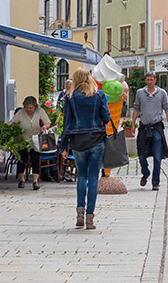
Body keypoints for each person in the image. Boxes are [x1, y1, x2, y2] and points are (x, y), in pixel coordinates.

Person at [59, 67, 110, 229]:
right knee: (93, 178)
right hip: (96, 141)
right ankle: (90, 218)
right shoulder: (99, 95)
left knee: (81, 176)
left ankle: (79, 214)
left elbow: (66, 122)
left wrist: (64, 146)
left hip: (78, 142)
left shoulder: (70, 97)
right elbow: (106, 117)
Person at [132, 72, 168, 190]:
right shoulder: (140, 93)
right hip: (144, 127)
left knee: (157, 157)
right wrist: (133, 123)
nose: (149, 82)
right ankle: (145, 172)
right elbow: (136, 108)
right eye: (147, 80)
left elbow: (167, 108)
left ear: (155, 80)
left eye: (151, 80)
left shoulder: (162, 93)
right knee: (141, 155)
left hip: (156, 127)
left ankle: (155, 182)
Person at [8, 96, 50, 190]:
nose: (28, 110)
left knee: (35, 160)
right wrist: (5, 126)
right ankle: (21, 180)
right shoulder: (21, 112)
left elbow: (47, 123)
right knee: (21, 160)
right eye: (27, 107)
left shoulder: (40, 111)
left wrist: (44, 127)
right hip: (23, 139)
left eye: (31, 108)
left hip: (36, 139)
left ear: (35, 106)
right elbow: (13, 122)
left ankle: (35, 182)